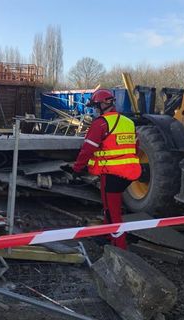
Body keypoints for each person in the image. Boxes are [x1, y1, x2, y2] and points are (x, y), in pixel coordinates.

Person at [72, 89, 141, 249]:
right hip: (128, 171)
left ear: (104, 104)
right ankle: (106, 234)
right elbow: (136, 147)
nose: (96, 110)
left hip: (112, 173)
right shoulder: (128, 122)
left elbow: (87, 149)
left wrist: (77, 169)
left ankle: (119, 246)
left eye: (97, 106)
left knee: (112, 211)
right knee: (110, 206)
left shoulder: (101, 123)